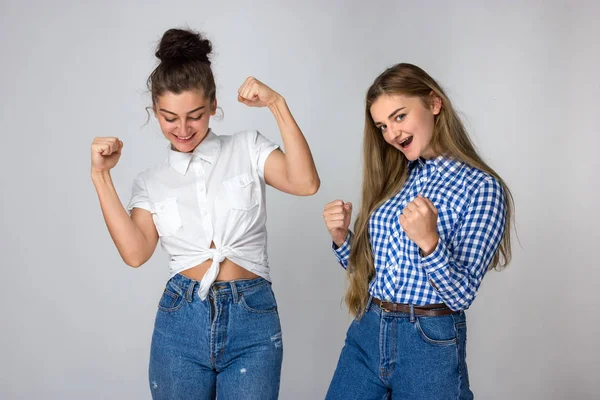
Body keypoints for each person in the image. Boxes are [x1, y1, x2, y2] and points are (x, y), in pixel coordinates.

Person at [90, 28, 319, 399]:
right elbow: (135, 254)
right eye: (169, 118)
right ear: (155, 112)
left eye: (195, 116)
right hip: (180, 322)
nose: (182, 129)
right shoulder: (151, 181)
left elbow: (306, 182)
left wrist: (276, 103)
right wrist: (101, 175)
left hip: (252, 317)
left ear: (214, 105)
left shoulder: (248, 147)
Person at [322, 63, 513, 399]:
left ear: (434, 103)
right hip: (368, 329)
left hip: (427, 342)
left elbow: (460, 295)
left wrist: (429, 242)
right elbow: (374, 274)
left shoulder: (482, 188)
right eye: (382, 125)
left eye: (399, 116)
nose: (392, 134)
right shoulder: (396, 178)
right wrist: (342, 240)